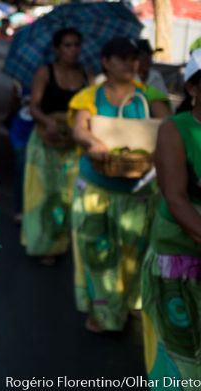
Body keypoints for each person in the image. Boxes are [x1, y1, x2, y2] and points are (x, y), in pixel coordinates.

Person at [69, 37, 171, 333]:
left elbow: (170, 130)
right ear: (106, 61)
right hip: (95, 189)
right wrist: (93, 142)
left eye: (133, 58)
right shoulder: (90, 95)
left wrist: (159, 153)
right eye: (122, 58)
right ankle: (104, 312)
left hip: (137, 192)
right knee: (97, 251)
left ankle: (128, 303)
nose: (130, 63)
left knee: (133, 252)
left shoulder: (150, 95)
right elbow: (79, 129)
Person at [141, 49, 201, 387]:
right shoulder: (174, 130)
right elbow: (177, 199)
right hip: (180, 252)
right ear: (193, 89)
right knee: (182, 350)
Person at [21, 28, 93, 266]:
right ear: (57, 49)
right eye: (68, 45)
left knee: (69, 196)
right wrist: (48, 121)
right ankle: (44, 245)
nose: (73, 50)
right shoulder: (45, 72)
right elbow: (34, 107)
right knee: (43, 197)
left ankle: (62, 243)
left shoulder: (87, 75)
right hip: (45, 141)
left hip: (73, 145)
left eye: (76, 45)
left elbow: (94, 107)